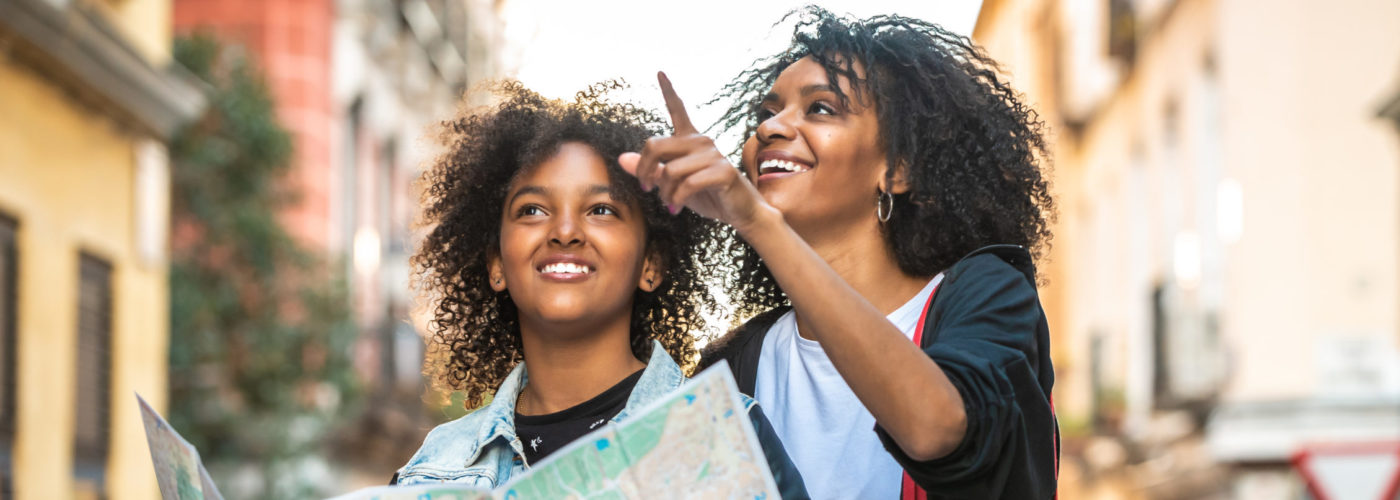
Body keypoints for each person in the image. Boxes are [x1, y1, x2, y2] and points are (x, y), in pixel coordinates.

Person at [620, 7, 1058, 498]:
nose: (771, 129)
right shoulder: (737, 363)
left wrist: (757, 222)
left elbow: (937, 428)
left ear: (898, 168)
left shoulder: (985, 292)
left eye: (821, 108)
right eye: (767, 114)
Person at [392, 81, 807, 498]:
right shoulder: (428, 472)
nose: (565, 231)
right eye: (532, 210)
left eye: (601, 210)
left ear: (651, 264)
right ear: (497, 265)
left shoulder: (729, 434)